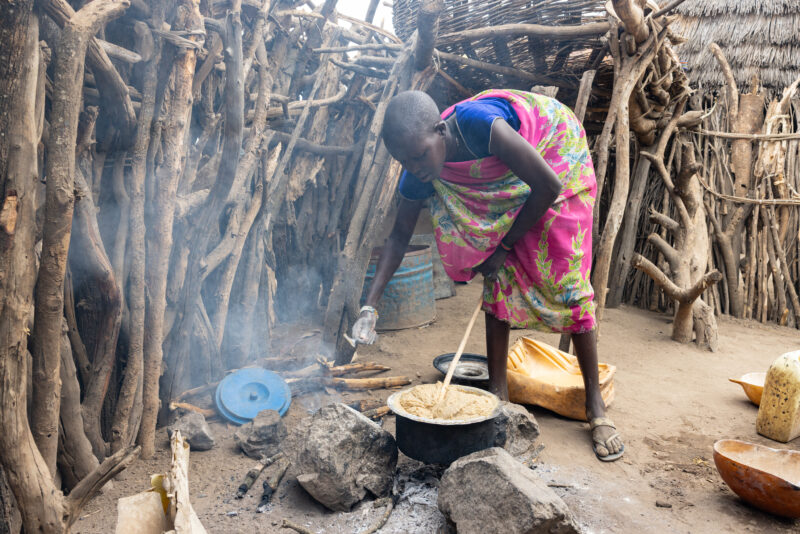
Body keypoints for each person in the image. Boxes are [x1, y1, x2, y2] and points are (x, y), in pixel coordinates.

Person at [351, 89, 624, 461]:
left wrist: (505, 246)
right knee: (496, 281)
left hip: (553, 153)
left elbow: (548, 185)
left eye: (418, 156)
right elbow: (398, 237)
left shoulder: (481, 127)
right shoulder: (419, 166)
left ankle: (595, 408)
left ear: (441, 131)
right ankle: (499, 396)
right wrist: (370, 307)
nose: (414, 166)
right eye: (404, 160)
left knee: (567, 278)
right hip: (520, 181)